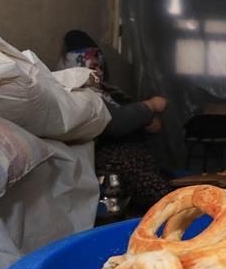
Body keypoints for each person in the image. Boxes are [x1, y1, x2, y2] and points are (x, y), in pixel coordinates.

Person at [60, 30, 171, 209]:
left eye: (100, 67)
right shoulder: (80, 94)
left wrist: (145, 120)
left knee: (167, 180)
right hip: (110, 157)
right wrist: (150, 106)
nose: (98, 72)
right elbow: (115, 122)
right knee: (164, 199)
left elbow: (132, 115)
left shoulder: (109, 93)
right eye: (91, 67)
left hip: (138, 156)